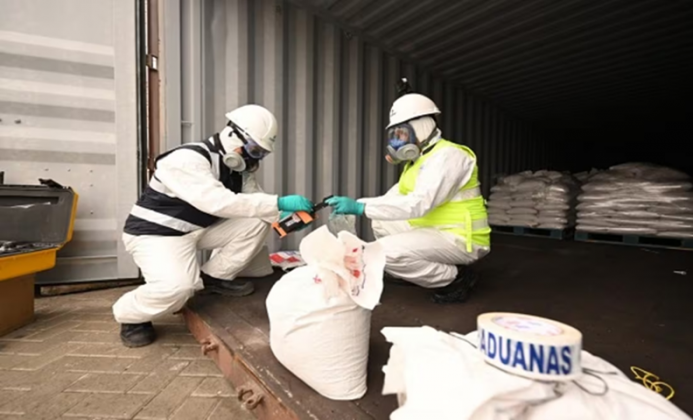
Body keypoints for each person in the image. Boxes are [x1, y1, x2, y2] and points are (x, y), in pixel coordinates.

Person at [113, 104, 313, 347]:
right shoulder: (186, 159)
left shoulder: (237, 169)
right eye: (254, 150)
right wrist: (278, 202)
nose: (255, 158)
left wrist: (283, 218)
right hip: (157, 235)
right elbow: (216, 202)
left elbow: (255, 201)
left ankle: (213, 278)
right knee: (178, 287)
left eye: (261, 153)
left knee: (258, 220)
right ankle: (131, 316)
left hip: (195, 230)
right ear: (233, 135)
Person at [327, 92, 491, 304]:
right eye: (394, 135)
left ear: (422, 126)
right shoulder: (418, 162)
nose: (397, 141)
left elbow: (420, 203)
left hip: (460, 237)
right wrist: (355, 205)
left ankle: (455, 278)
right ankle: (413, 270)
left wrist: (360, 208)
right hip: (435, 230)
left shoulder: (450, 156)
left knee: (382, 253)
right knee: (380, 219)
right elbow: (391, 200)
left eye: (402, 134)